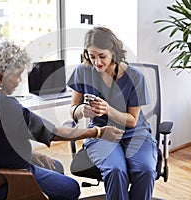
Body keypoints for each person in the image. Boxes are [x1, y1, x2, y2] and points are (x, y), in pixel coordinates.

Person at [0, 37, 123, 200]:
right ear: (0, 77)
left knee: (56, 166)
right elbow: (53, 132)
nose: (19, 81)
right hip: (1, 183)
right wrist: (97, 132)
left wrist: (28, 154)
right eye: (17, 76)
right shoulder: (2, 106)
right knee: (70, 189)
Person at [67, 27, 158, 200]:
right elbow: (73, 109)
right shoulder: (82, 71)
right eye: (91, 56)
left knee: (145, 171)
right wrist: (81, 111)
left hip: (135, 133)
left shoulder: (135, 77)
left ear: (114, 52)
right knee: (116, 170)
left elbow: (132, 121)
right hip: (102, 133)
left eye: (102, 56)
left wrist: (108, 109)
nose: (97, 62)